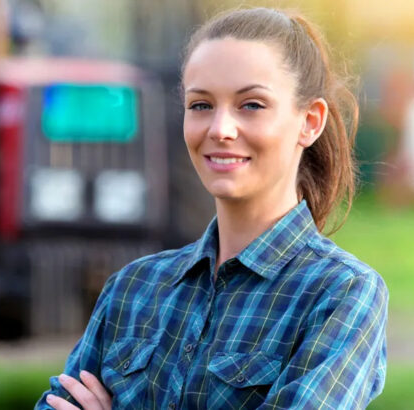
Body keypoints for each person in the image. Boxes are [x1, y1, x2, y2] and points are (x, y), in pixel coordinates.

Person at [36, 7, 387, 409]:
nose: (220, 129)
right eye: (201, 105)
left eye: (251, 105)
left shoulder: (341, 294)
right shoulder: (131, 289)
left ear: (310, 121)